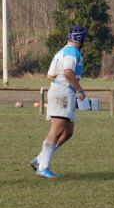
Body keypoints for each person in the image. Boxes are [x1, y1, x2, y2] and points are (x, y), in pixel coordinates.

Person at [29, 25, 88, 178]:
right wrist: (79, 90)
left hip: (61, 91)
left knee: (68, 132)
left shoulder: (61, 51)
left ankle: (40, 159)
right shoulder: (72, 52)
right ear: (81, 38)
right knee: (55, 131)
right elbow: (68, 72)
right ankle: (43, 167)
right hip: (63, 93)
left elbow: (50, 76)